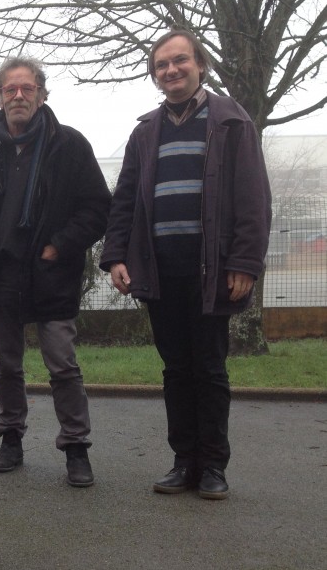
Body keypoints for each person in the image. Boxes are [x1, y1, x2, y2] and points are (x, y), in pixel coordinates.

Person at [100, 29, 271, 500]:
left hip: (211, 271)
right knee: (176, 370)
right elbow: (125, 201)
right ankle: (183, 462)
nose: (170, 71)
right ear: (154, 75)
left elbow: (253, 200)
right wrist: (114, 255)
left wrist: (244, 262)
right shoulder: (145, 131)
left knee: (210, 370)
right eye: (161, 66)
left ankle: (213, 466)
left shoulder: (232, 122)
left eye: (180, 61)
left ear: (200, 65)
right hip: (160, 271)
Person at [0, 57, 110, 487]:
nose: (19, 96)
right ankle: (11, 440)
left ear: (43, 94)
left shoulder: (69, 144)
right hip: (0, 272)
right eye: (11, 90)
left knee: (62, 364)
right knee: (7, 365)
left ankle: (76, 448)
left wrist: (59, 245)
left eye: (28, 89)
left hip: (51, 273)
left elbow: (98, 207)